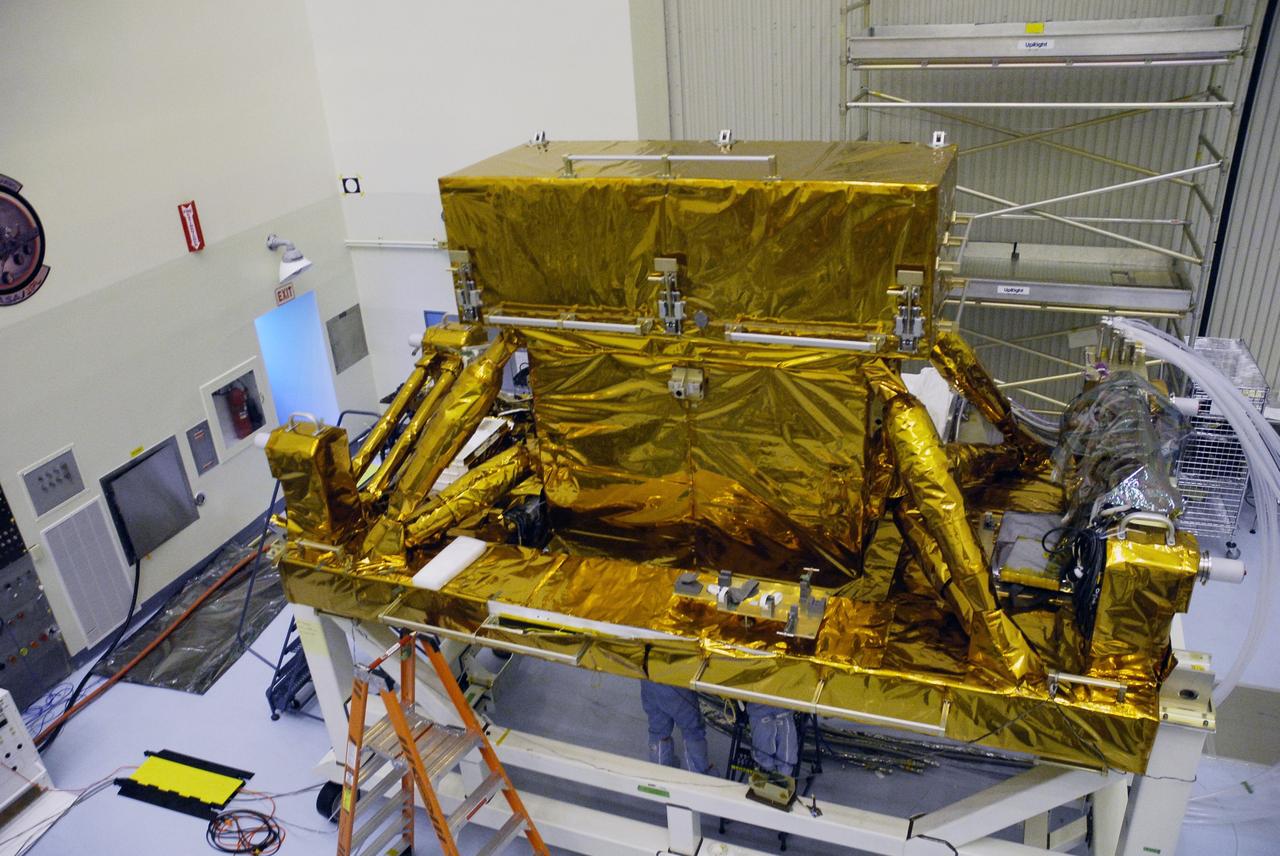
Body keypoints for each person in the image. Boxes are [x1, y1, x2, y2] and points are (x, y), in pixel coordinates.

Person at [639, 680, 714, 774]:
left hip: (648, 681)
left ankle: (659, 769)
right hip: (674, 682)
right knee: (692, 729)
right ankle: (698, 772)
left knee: (658, 727)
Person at [745, 703, 798, 774]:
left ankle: (781, 776)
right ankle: (770, 772)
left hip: (785, 711)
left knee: (786, 756)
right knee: (763, 753)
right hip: (759, 710)